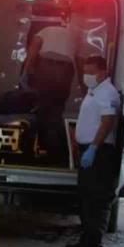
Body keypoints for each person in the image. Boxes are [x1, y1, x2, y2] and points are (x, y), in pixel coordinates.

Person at [67, 55, 122, 247]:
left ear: (103, 71)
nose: (86, 75)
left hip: (99, 153)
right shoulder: (95, 91)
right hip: (91, 150)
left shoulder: (106, 92)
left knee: (95, 200)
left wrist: (93, 147)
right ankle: (85, 242)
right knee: (86, 198)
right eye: (85, 71)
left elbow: (107, 121)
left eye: (91, 71)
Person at [21, 10, 79, 167]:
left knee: (43, 110)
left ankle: (44, 150)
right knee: (56, 110)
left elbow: (32, 53)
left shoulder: (43, 32)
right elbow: (78, 58)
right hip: (66, 72)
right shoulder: (71, 34)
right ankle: (58, 151)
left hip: (47, 69)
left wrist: (26, 74)